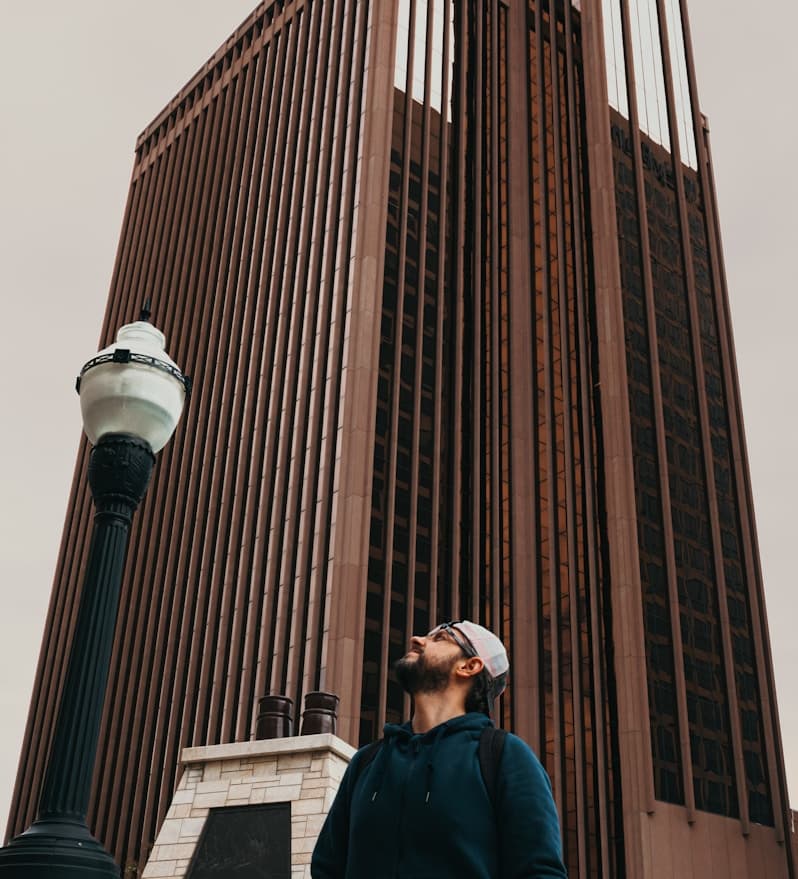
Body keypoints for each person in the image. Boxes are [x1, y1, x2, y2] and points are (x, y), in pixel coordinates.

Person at [311, 620, 568, 878]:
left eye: (440, 638)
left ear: (469, 666)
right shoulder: (367, 761)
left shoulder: (505, 755)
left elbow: (540, 872)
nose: (416, 639)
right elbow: (326, 869)